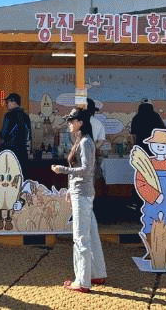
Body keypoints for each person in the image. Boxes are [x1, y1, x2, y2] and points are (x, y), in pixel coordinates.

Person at [51, 108, 107, 293]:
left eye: (72, 121)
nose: (69, 124)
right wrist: (70, 188)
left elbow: (86, 169)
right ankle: (97, 273)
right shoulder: (84, 141)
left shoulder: (85, 142)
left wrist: (62, 170)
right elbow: (84, 170)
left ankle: (82, 281)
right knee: (91, 234)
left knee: (81, 238)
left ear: (80, 123)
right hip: (82, 192)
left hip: (82, 194)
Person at [0, 93, 32, 177]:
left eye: (8, 102)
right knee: (21, 177)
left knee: (9, 178)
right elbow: (29, 135)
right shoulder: (26, 116)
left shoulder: (9, 116)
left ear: (14, 102)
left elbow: (3, 134)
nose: (7, 104)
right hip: (23, 153)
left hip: (10, 153)